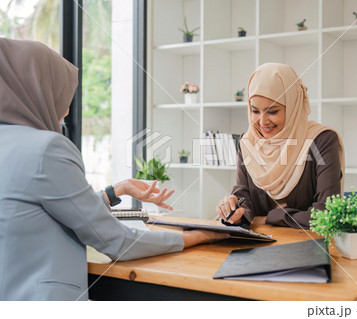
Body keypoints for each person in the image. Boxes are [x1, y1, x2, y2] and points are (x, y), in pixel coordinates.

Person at [0, 38, 227, 301]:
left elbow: (45, 211)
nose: (68, 107)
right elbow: (117, 241)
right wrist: (199, 236)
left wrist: (116, 190)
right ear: (39, 90)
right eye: (62, 92)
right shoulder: (47, 148)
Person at [216, 63, 345, 229]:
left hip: (308, 247)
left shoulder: (322, 140)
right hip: (256, 248)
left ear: (293, 106)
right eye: (255, 111)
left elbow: (327, 214)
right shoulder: (247, 142)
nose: (262, 122)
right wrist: (235, 211)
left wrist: (271, 217)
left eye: (272, 111)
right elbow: (244, 197)